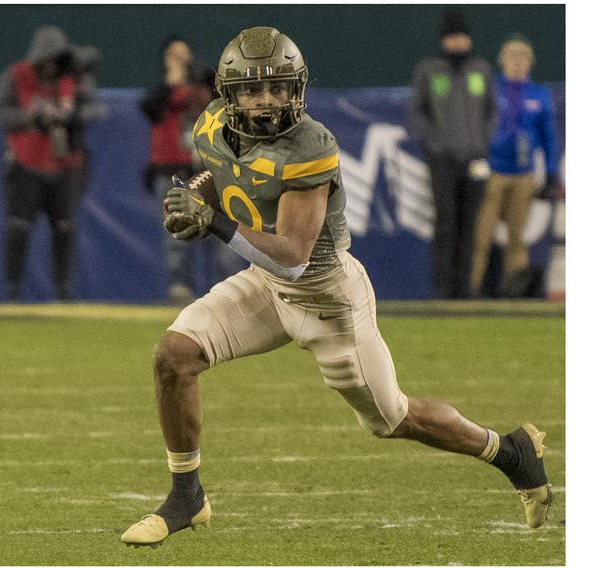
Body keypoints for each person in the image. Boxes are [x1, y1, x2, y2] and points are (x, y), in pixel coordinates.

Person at [120, 27, 552, 548]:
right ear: (227, 93)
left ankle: (510, 452)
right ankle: (187, 495)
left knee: (393, 419)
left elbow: (294, 257)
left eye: (278, 88)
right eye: (254, 90)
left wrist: (210, 220)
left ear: (296, 89)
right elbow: (220, 171)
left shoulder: (310, 144)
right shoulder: (211, 123)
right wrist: (190, 194)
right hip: (265, 284)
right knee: (174, 355)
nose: (267, 100)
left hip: (326, 297)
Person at [0, 26, 106, 301]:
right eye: (48, 58)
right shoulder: (16, 76)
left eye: (57, 58)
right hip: (24, 166)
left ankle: (63, 292)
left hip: (65, 167)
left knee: (65, 229)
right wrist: (31, 118)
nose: (52, 65)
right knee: (19, 228)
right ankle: (12, 291)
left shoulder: (73, 79)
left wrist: (73, 116)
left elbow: (97, 110)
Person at [140, 36, 243, 305]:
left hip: (208, 169)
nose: (182, 61)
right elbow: (148, 108)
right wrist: (171, 81)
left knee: (218, 230)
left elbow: (227, 103)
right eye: (175, 55)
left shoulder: (205, 84)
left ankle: (224, 293)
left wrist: (201, 80)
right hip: (172, 170)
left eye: (184, 55)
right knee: (177, 232)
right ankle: (180, 289)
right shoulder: (160, 93)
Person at [411, 10, 497, 299]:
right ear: (444, 40)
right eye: (452, 37)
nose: (458, 43)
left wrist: (481, 143)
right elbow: (417, 113)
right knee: (446, 223)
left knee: (470, 225)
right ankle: (443, 292)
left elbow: (491, 111)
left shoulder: (481, 70)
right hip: (443, 160)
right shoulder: (430, 70)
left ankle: (466, 291)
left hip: (474, 159)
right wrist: (435, 144)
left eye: (461, 36)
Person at [470, 35, 560, 298]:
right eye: (512, 58)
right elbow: (478, 126)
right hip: (495, 172)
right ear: (503, 62)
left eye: (522, 59)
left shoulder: (539, 96)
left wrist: (552, 172)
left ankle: (515, 293)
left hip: (524, 175)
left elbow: (548, 137)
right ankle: (471, 291)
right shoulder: (492, 90)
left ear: (530, 63)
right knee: (481, 236)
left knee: (517, 238)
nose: (517, 64)